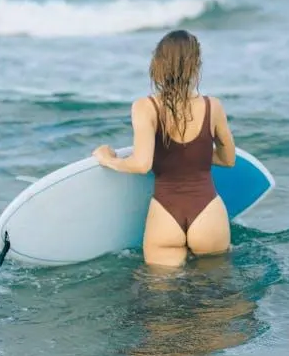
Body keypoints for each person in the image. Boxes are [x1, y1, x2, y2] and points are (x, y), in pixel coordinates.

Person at [93, 29, 236, 267]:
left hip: (165, 214)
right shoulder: (213, 106)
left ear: (157, 64)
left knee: (161, 299)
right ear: (195, 66)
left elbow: (142, 164)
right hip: (209, 211)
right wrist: (194, 156)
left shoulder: (145, 107)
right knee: (218, 296)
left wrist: (108, 159)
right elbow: (228, 159)